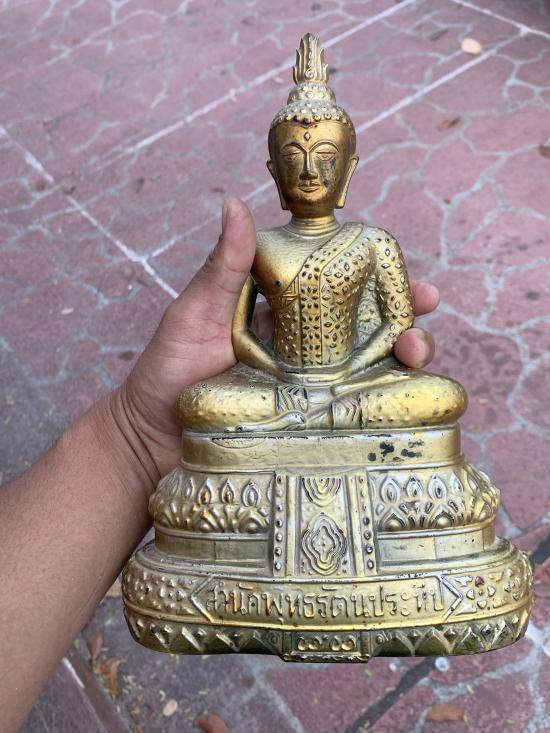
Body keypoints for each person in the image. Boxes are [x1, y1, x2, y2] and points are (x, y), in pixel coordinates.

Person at [0, 199, 439, 731]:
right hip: (277, 391)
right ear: (275, 172)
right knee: (200, 404)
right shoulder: (265, 246)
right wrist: (279, 375)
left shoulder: (372, 241)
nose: (308, 167)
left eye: (324, 159)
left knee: (432, 396)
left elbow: (397, 323)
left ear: (347, 171)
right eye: (293, 159)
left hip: (354, 384)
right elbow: (241, 335)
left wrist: (347, 374)